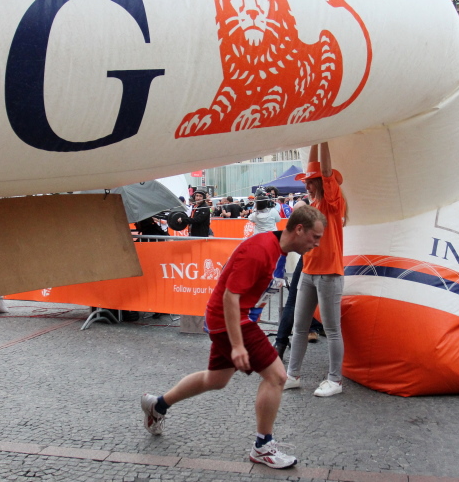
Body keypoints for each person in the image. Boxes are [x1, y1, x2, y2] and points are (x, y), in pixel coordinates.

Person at [141, 205, 326, 469]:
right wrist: (238, 345)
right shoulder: (260, 250)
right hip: (231, 320)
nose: (317, 244)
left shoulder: (277, 249)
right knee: (276, 376)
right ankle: (263, 446)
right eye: (315, 237)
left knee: (215, 379)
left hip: (233, 320)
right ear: (299, 229)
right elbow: (230, 297)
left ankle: (157, 405)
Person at [285, 142, 347, 397]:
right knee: (300, 327)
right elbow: (316, 166)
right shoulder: (316, 204)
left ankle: (335, 380)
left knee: (332, 330)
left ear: (322, 182)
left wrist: (324, 138)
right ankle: (292, 375)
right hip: (310, 272)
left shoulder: (332, 202)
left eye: (311, 181)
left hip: (329, 273)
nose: (306, 185)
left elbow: (326, 171)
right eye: (306, 181)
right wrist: (315, 138)